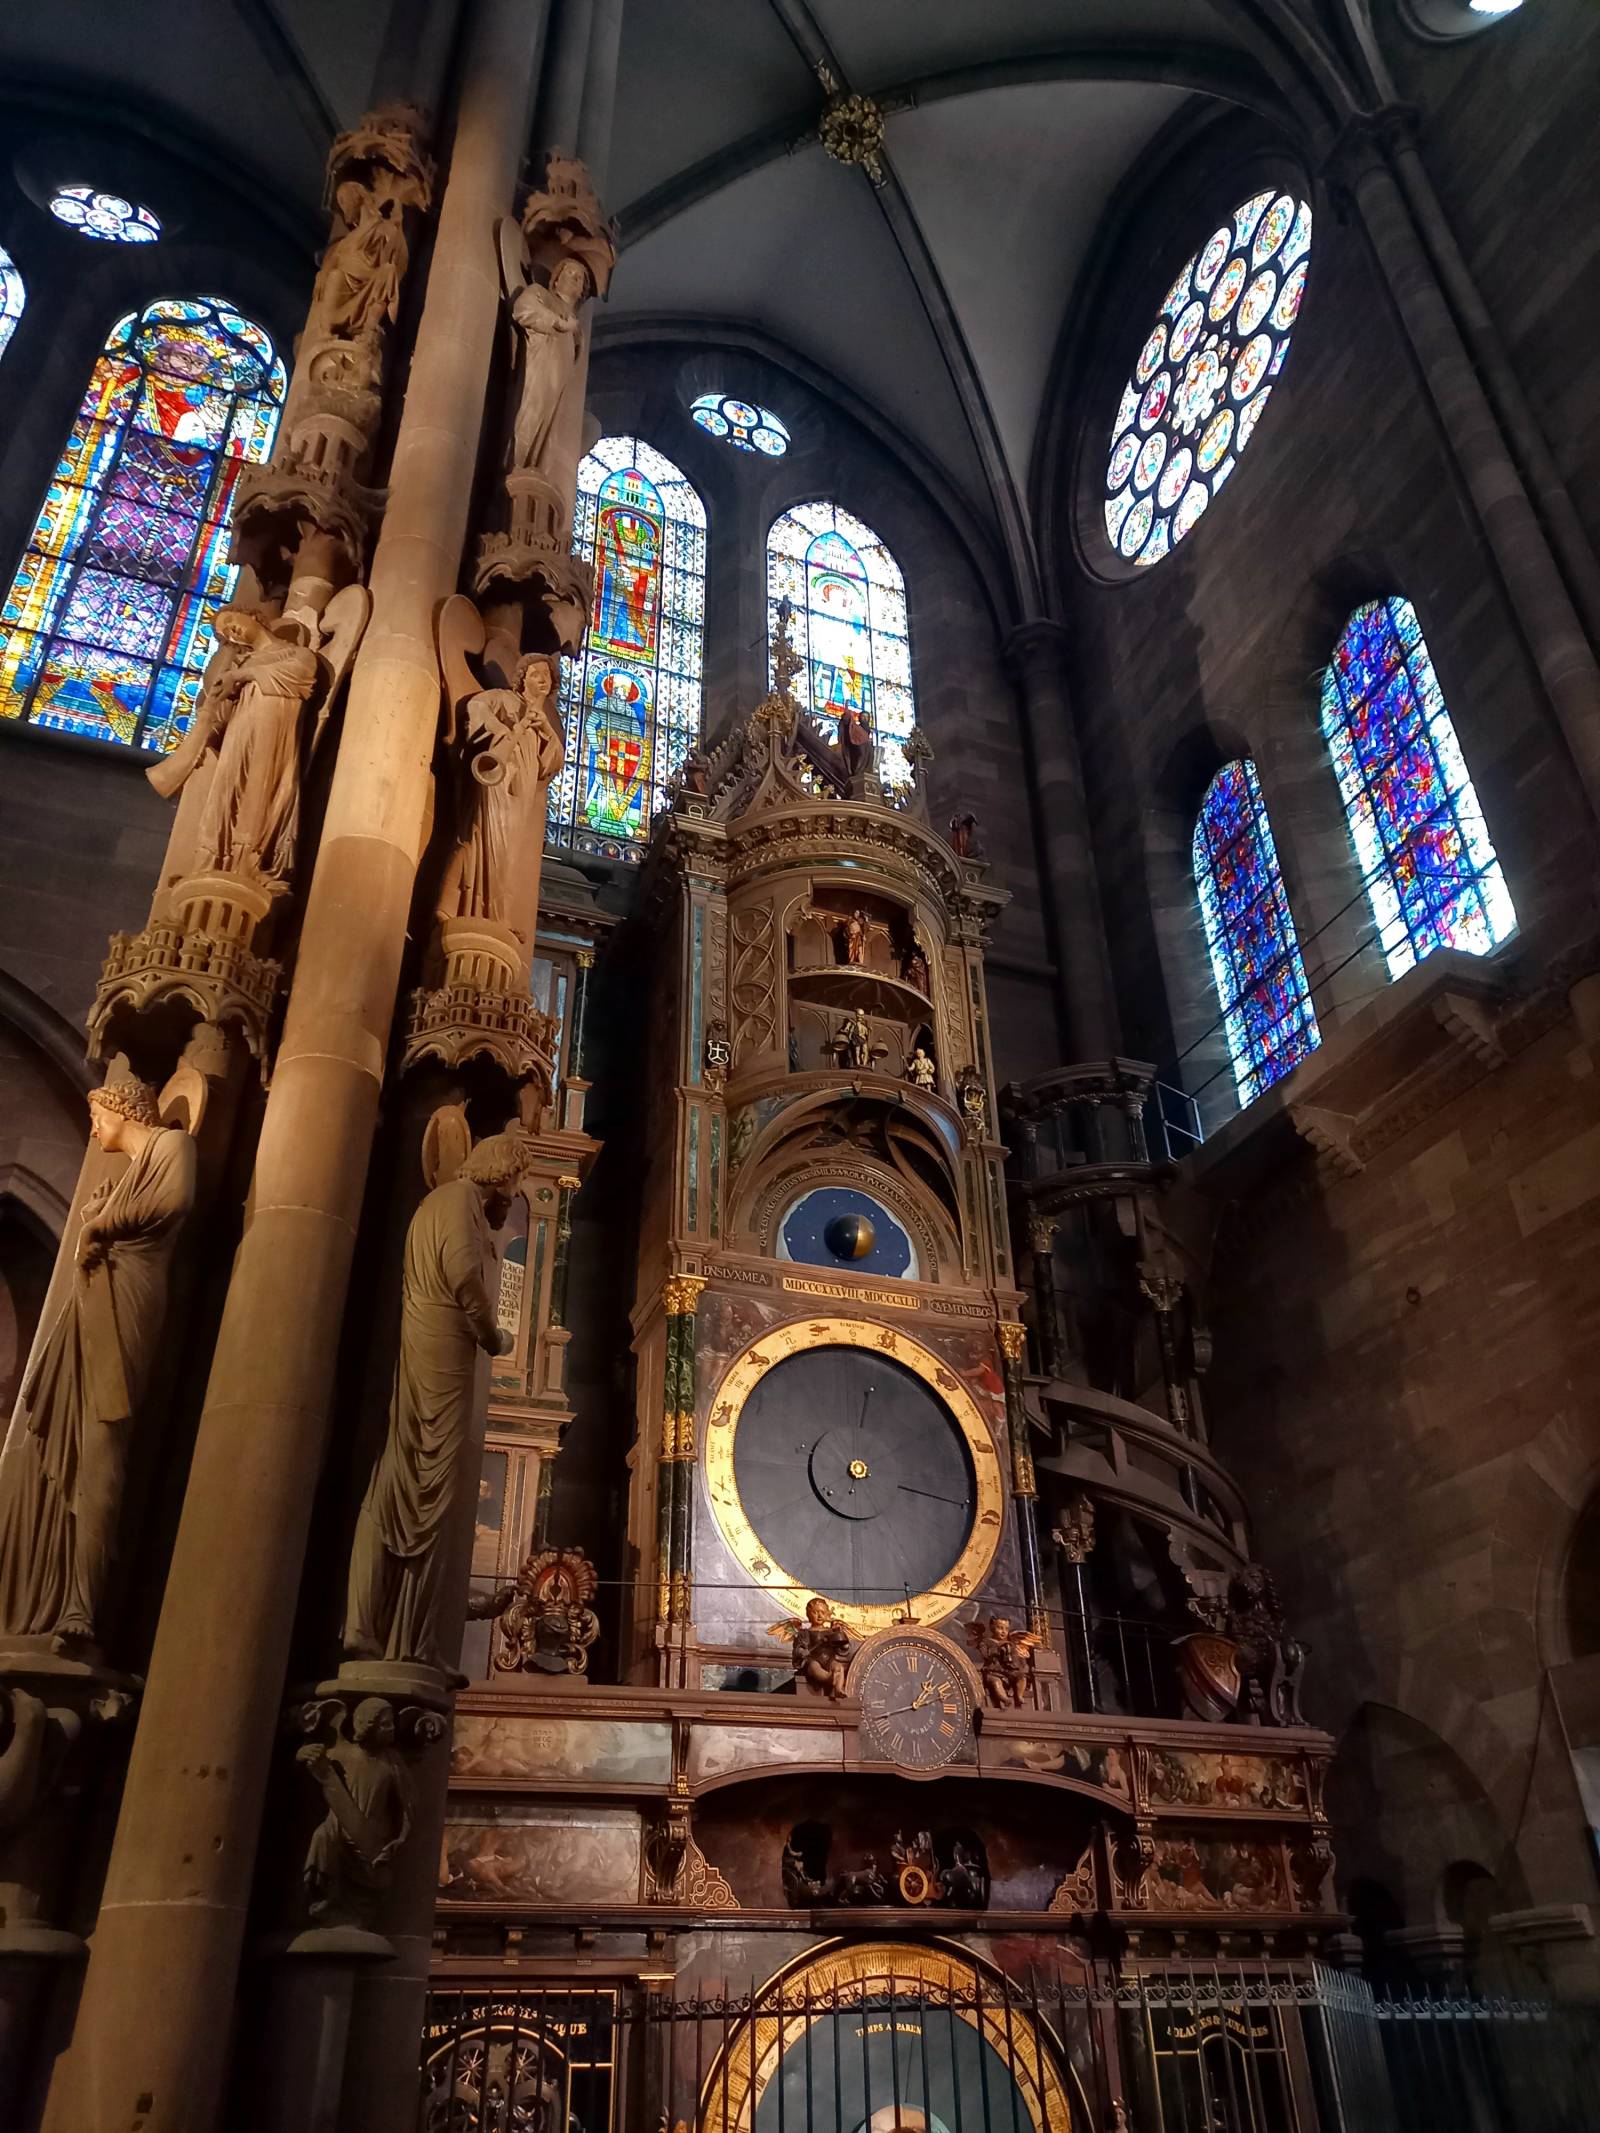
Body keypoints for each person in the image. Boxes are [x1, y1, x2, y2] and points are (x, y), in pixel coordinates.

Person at [0, 1079, 196, 1650]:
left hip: (128, 1298)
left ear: (122, 1110)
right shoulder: (125, 1177)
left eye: (97, 1116)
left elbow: (173, 1202)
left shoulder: (172, 1145)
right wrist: (98, 1212)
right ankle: (41, 1592)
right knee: (58, 1439)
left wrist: (101, 1224)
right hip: (90, 1305)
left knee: (103, 1441)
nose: (92, 1130)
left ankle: (82, 1603)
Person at [342, 1135, 525, 1677]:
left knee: (410, 1485)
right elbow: (463, 1273)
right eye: (516, 1180)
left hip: (434, 1347)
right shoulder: (456, 1201)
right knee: (424, 1489)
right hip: (441, 1351)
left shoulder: (441, 1203)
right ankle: (396, 1637)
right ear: (503, 1174)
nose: (513, 1194)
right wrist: (493, 1335)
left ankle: (401, 1635)